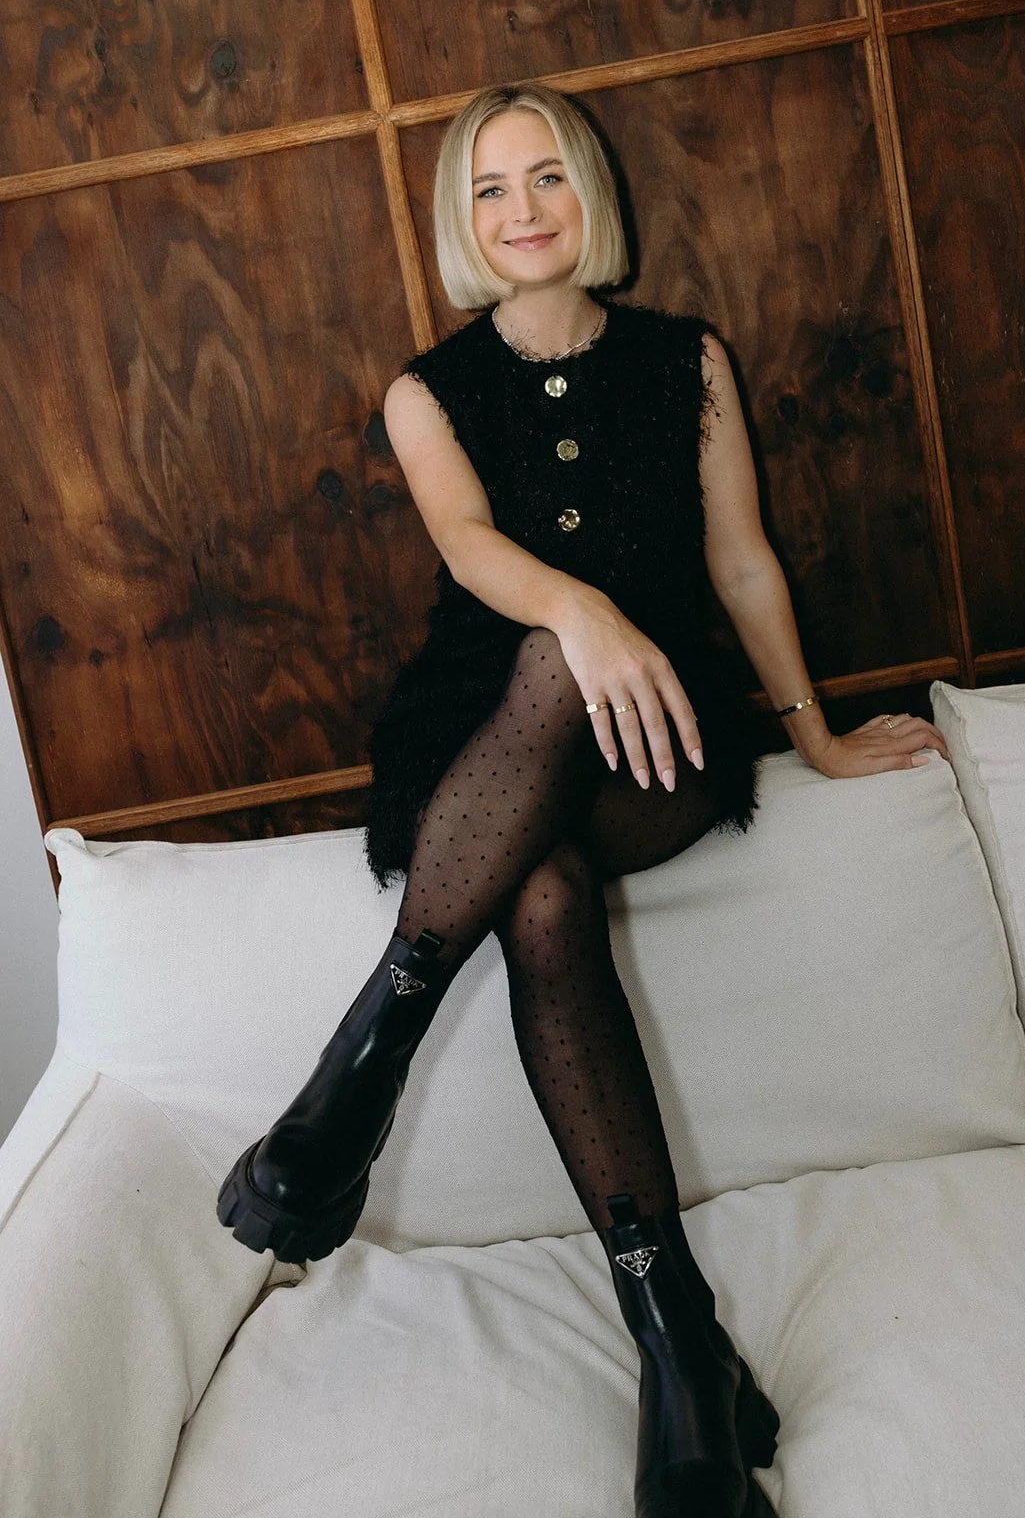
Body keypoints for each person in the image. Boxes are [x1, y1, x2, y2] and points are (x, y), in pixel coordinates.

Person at [217, 80, 950, 1517]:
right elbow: (471, 549)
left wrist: (810, 737)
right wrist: (577, 618)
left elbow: (738, 563)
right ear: (462, 221)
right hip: (476, 731)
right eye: (489, 189)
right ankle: (678, 1347)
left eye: (544, 176)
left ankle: (355, 1076)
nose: (523, 209)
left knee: (570, 702)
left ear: (587, 193)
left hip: (654, 739)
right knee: (537, 891)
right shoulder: (426, 391)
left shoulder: (687, 360)